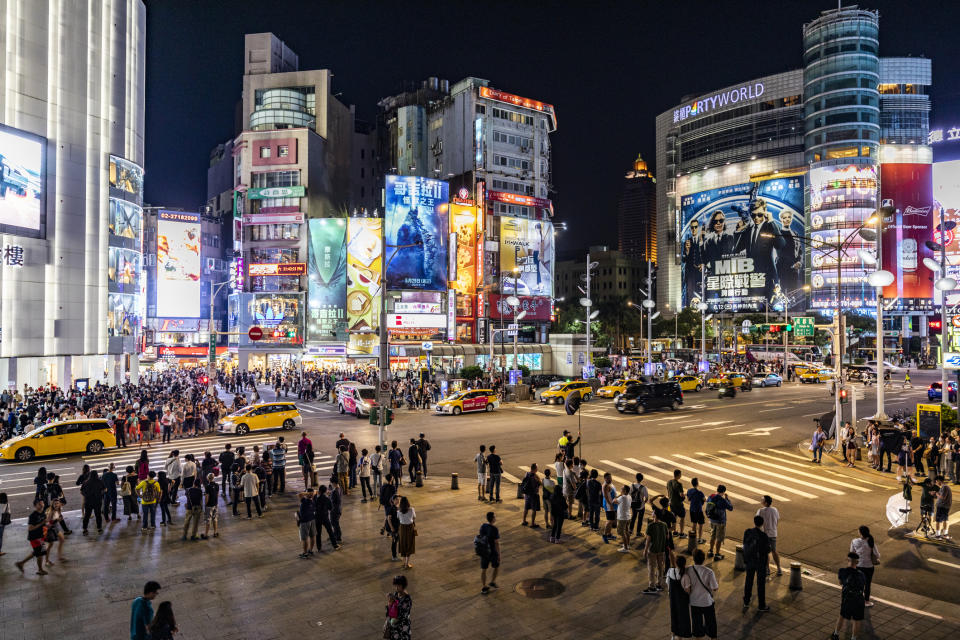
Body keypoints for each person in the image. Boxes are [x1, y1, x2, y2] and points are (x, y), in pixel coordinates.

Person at [683, 549, 719, 640]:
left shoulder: (688, 569)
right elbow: (715, 588)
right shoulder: (709, 571)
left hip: (694, 602)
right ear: (704, 559)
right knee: (711, 624)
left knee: (697, 626)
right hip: (707, 602)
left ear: (693, 559)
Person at [830, 553, 867, 640]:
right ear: (857, 562)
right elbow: (863, 587)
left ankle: (836, 634)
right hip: (859, 600)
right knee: (857, 620)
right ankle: (853, 638)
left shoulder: (842, 571)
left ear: (848, 560)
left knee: (842, 616)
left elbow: (841, 582)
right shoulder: (861, 574)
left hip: (848, 599)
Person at [742, 515, 771, 613]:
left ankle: (746, 601)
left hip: (750, 561)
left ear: (754, 522)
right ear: (762, 524)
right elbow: (767, 550)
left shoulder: (748, 532)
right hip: (760, 563)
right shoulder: (764, 536)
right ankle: (761, 605)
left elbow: (744, 545)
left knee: (748, 581)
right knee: (760, 584)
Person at [15, 499, 49, 576]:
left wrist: (47, 527)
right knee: (40, 553)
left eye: (42, 503)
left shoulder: (44, 513)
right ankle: (40, 570)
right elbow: (30, 528)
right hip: (35, 538)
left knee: (39, 552)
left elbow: (44, 525)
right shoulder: (33, 516)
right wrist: (42, 523)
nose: (41, 505)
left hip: (41, 536)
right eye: (39, 504)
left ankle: (21, 563)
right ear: (35, 506)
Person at [850, 525, 879, 607]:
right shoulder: (871, 542)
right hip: (869, 566)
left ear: (860, 533)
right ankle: (866, 601)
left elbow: (852, 553)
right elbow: (877, 554)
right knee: (867, 584)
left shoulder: (854, 541)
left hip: (858, 565)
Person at [642, 508, 669, 594]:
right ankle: (659, 584)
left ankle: (652, 587)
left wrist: (645, 550)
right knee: (660, 567)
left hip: (653, 550)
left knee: (651, 568)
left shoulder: (651, 526)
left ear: (655, 515)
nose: (652, 513)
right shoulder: (664, 525)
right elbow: (667, 536)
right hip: (661, 549)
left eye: (653, 512)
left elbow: (648, 540)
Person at [667, 554, 693, 639]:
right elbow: (688, 591)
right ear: (684, 564)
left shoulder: (670, 571)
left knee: (674, 615)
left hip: (673, 599)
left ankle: (674, 634)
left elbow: (668, 583)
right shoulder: (685, 576)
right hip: (682, 601)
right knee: (683, 617)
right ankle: (680, 635)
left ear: (676, 563)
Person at [756, 495, 782, 575]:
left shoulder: (760, 511)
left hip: (764, 535)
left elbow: (757, 522)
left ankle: (767, 569)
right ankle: (779, 569)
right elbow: (777, 521)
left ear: (765, 502)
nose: (761, 500)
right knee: (774, 551)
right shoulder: (775, 510)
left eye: (762, 500)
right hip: (773, 533)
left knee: (765, 553)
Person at [706, 485, 733, 561]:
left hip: (712, 520)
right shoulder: (722, 500)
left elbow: (707, 503)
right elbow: (730, 508)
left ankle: (710, 551)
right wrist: (727, 499)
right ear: (723, 492)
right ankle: (717, 554)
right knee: (719, 538)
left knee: (712, 536)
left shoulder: (711, 496)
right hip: (720, 521)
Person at [478, 511, 501, 594]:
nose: (495, 518)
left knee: (484, 569)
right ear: (493, 519)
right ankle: (492, 581)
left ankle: (484, 587)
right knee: (496, 566)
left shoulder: (483, 526)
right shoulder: (495, 529)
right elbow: (496, 543)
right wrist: (499, 554)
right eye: (495, 517)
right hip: (492, 551)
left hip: (484, 551)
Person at [314, 484, 339, 551]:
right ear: (325, 491)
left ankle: (319, 547)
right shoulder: (327, 499)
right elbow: (330, 508)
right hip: (325, 517)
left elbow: (314, 506)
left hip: (317, 517)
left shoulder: (316, 498)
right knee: (330, 531)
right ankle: (335, 545)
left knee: (318, 533)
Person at [80, 470, 106, 535]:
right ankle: (99, 528)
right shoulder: (100, 481)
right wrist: (100, 493)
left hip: (88, 501)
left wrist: (86, 495)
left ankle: (85, 529)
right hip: (97, 501)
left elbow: (81, 492)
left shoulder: (85, 482)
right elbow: (105, 489)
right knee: (98, 515)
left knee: (87, 515)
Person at [388, 574, 412, 640]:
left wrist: (394, 619)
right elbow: (392, 607)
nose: (396, 588)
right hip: (395, 626)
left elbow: (404, 614)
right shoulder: (396, 593)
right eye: (395, 585)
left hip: (403, 626)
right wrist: (390, 602)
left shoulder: (407, 599)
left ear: (403, 586)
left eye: (398, 586)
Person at [296, 487, 317, 558]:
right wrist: (312, 494)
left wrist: (308, 493)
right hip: (312, 519)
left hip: (305, 521)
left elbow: (299, 494)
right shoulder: (314, 500)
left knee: (304, 538)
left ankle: (305, 553)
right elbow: (316, 492)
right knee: (312, 536)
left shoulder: (304, 500)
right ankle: (310, 550)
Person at [630, 473, 649, 547]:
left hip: (633, 505)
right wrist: (643, 503)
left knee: (633, 517)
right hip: (641, 506)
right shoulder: (644, 488)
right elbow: (646, 498)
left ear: (636, 478)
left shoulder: (631, 486)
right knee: (640, 519)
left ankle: (630, 530)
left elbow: (629, 494)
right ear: (642, 479)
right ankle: (638, 532)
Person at [666, 469, 687, 538]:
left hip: (671, 503)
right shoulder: (679, 484)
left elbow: (668, 492)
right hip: (678, 504)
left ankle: (674, 532)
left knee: (674, 517)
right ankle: (681, 533)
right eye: (680, 474)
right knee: (682, 518)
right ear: (678, 475)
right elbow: (681, 495)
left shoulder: (669, 482)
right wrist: (685, 494)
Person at [397, 495, 416, 569]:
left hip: (402, 528)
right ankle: (407, 564)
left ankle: (404, 562)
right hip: (410, 527)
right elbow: (414, 517)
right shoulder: (411, 509)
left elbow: (398, 518)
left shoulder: (398, 511)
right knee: (410, 544)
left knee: (403, 543)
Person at [520, 463, 542, 528]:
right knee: (534, 509)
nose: (537, 469)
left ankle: (524, 521)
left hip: (527, 494)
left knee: (526, 508)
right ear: (535, 468)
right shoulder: (535, 476)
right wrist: (538, 479)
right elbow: (539, 483)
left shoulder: (527, 473)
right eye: (537, 468)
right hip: (533, 495)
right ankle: (532, 523)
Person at [549, 473, 567, 543]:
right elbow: (565, 506)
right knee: (559, 526)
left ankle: (552, 537)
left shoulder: (552, 497)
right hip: (560, 513)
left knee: (554, 525)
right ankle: (557, 539)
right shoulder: (561, 498)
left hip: (554, 512)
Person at [686, 477, 706, 544]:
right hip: (698, 510)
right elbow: (704, 500)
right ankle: (700, 539)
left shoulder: (689, 491)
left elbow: (688, 499)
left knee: (694, 524)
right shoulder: (700, 493)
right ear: (697, 484)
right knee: (700, 525)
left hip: (692, 509)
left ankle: (693, 538)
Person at [601, 472, 618, 543]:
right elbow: (605, 496)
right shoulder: (605, 486)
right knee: (609, 521)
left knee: (611, 521)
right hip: (609, 506)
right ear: (605, 479)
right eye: (608, 478)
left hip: (613, 505)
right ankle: (604, 535)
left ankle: (609, 534)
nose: (610, 479)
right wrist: (610, 505)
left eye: (610, 477)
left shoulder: (609, 484)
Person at [201, 473, 219, 540]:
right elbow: (217, 495)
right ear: (213, 478)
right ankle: (215, 532)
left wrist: (205, 504)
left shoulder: (207, 486)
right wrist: (216, 502)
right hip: (215, 504)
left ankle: (206, 534)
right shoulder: (217, 485)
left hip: (209, 505)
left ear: (208, 478)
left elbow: (207, 497)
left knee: (208, 519)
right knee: (215, 518)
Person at [615, 484, 632, 552]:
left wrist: (619, 495)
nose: (621, 490)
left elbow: (614, 501)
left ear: (624, 491)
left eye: (622, 489)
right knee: (626, 531)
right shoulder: (629, 496)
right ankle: (627, 544)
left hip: (622, 518)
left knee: (621, 533)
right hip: (628, 517)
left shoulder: (622, 497)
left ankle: (625, 548)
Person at [329, 476, 344, 545]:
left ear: (334, 483)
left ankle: (338, 537)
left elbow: (337, 501)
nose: (331, 484)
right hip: (338, 509)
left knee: (335, 523)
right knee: (334, 523)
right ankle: (335, 535)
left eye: (331, 483)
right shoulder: (339, 488)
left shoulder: (335, 491)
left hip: (335, 510)